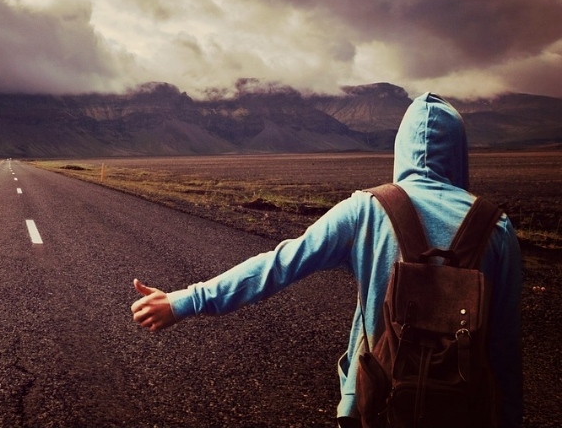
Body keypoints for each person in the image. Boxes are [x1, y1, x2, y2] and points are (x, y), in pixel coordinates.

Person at [131, 93, 523, 426]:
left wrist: (185, 300)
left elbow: (278, 265)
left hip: (376, 402)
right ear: (460, 152)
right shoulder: (496, 227)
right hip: (465, 409)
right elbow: (505, 346)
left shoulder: (367, 210)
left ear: (400, 148)